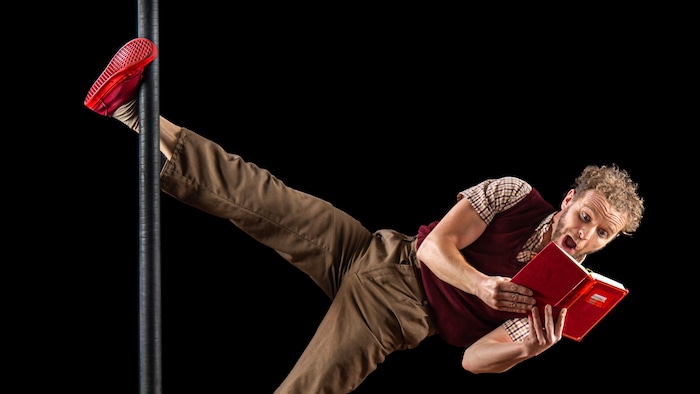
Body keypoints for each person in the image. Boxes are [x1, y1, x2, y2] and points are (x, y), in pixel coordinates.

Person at [85, 38, 645, 393]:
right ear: (570, 198)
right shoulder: (514, 193)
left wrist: (523, 350)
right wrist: (483, 286)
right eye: (587, 216)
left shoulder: (562, 301)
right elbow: (433, 249)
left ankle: (132, 112)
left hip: (399, 313)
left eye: (604, 233)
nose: (587, 235)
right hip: (377, 250)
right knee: (258, 191)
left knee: (308, 389)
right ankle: (131, 110)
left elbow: (473, 360)